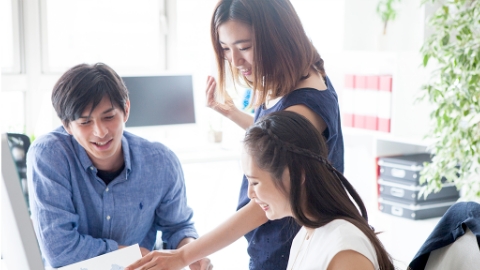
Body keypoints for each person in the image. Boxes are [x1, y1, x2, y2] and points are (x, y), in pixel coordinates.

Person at [127, 0, 343, 269]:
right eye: (225, 48)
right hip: (274, 241)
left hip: (286, 247)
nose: (235, 60)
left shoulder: (304, 107)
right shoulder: (294, 72)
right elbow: (275, 142)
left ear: (278, 36)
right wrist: (229, 112)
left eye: (245, 47)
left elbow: (263, 204)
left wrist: (184, 255)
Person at [26, 63, 212, 269]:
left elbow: (178, 226)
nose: (100, 132)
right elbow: (59, 250)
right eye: (85, 122)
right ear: (67, 125)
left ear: (126, 110)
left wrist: (192, 252)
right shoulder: (50, 155)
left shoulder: (161, 162)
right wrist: (132, 254)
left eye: (109, 117)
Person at [243, 111, 394, 270]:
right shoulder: (305, 237)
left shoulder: (344, 249)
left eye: (255, 182)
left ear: (296, 175)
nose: (250, 194)